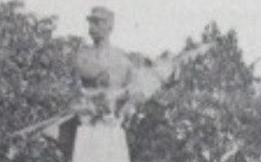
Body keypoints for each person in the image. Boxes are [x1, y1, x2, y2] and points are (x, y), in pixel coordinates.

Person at [73, 6, 210, 123]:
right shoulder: (82, 55)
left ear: (109, 26)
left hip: (111, 122)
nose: (92, 27)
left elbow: (136, 91)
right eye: (90, 23)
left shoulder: (122, 58)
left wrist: (124, 107)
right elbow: (76, 89)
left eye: (97, 22)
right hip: (86, 119)